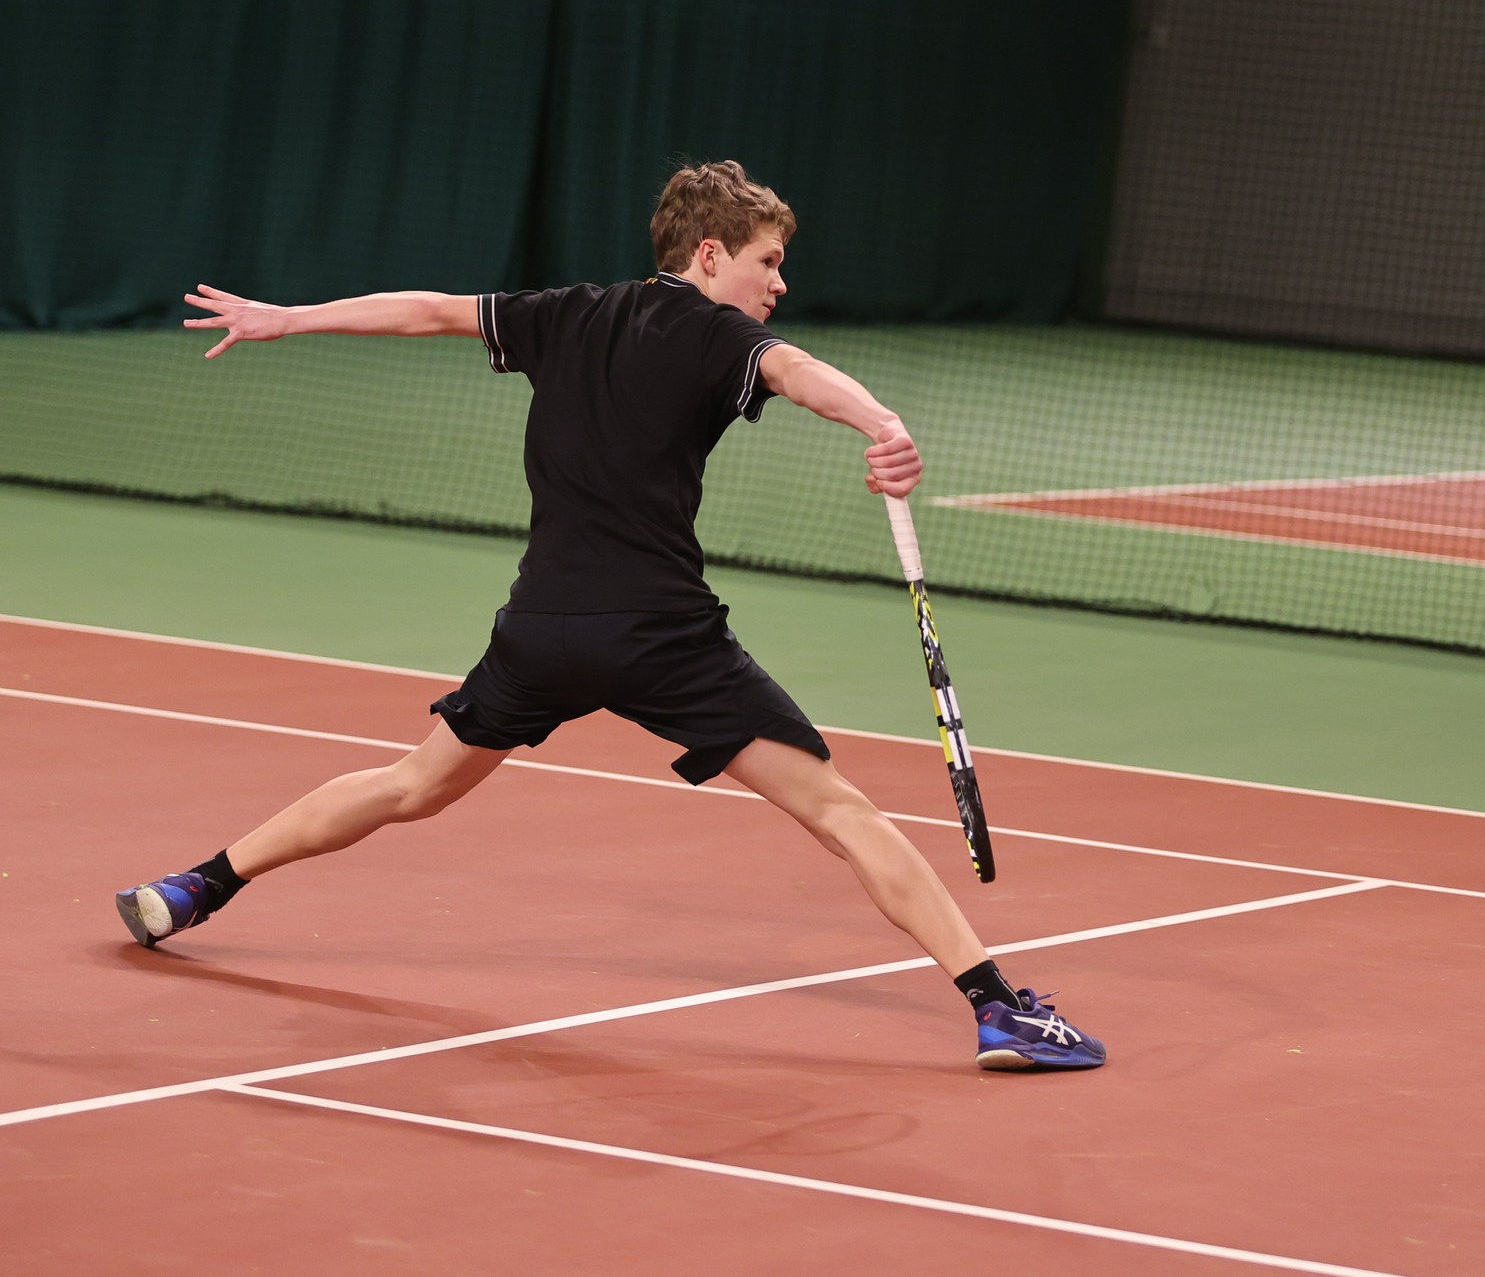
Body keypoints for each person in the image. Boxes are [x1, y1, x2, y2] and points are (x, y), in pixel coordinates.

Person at [112, 161, 1105, 1072]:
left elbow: (428, 311)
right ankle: (998, 1008)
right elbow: (797, 372)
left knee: (411, 784)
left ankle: (196, 886)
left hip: (540, 628)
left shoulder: (565, 313)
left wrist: (289, 318)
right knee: (841, 813)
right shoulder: (719, 333)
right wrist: (881, 423)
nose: (778, 282)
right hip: (659, 636)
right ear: (708, 254)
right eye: (767, 261)